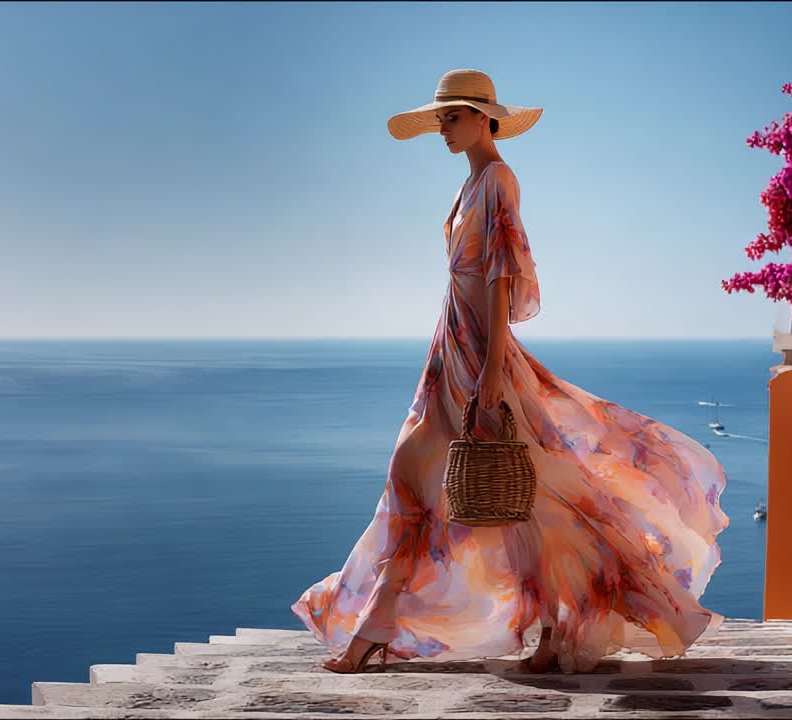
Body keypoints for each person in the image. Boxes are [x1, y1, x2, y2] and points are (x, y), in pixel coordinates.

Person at [291, 68, 730, 675]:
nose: (443, 129)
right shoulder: (469, 184)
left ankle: (535, 630)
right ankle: (377, 630)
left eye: (453, 117)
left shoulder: (498, 179)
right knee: (415, 489)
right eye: (440, 119)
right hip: (451, 351)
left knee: (533, 501)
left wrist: (492, 374)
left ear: (483, 118)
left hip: (479, 359)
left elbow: (502, 277)